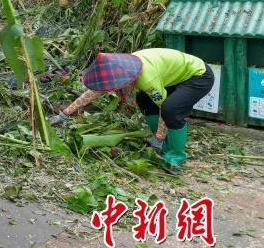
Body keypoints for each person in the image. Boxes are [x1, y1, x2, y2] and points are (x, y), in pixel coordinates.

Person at [50, 48, 214, 167]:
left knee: (170, 109)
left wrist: (159, 137)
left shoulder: (146, 79)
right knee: (144, 100)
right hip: (174, 76)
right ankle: (162, 144)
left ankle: (176, 155)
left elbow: (162, 106)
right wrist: (65, 114)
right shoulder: (122, 66)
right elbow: (95, 91)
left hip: (198, 76)